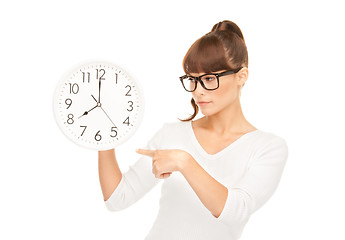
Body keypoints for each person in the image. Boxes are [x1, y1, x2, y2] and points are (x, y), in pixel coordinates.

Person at [98, 20, 288, 240]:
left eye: (209, 79)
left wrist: (185, 162)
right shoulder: (172, 134)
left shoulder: (267, 147)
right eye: (192, 80)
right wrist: (104, 137)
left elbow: (236, 211)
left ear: (241, 76)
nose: (198, 91)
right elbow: (117, 199)